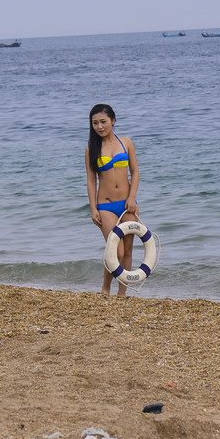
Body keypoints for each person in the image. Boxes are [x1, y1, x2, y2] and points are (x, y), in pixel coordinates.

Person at [85, 103, 140, 298]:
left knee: (128, 251)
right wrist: (93, 209)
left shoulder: (126, 142)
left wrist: (132, 198)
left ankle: (122, 293)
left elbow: (135, 172)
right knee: (116, 251)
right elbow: (91, 182)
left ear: (113, 121)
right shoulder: (92, 148)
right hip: (106, 206)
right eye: (95, 123)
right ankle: (105, 288)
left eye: (103, 122)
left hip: (127, 205)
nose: (99, 126)